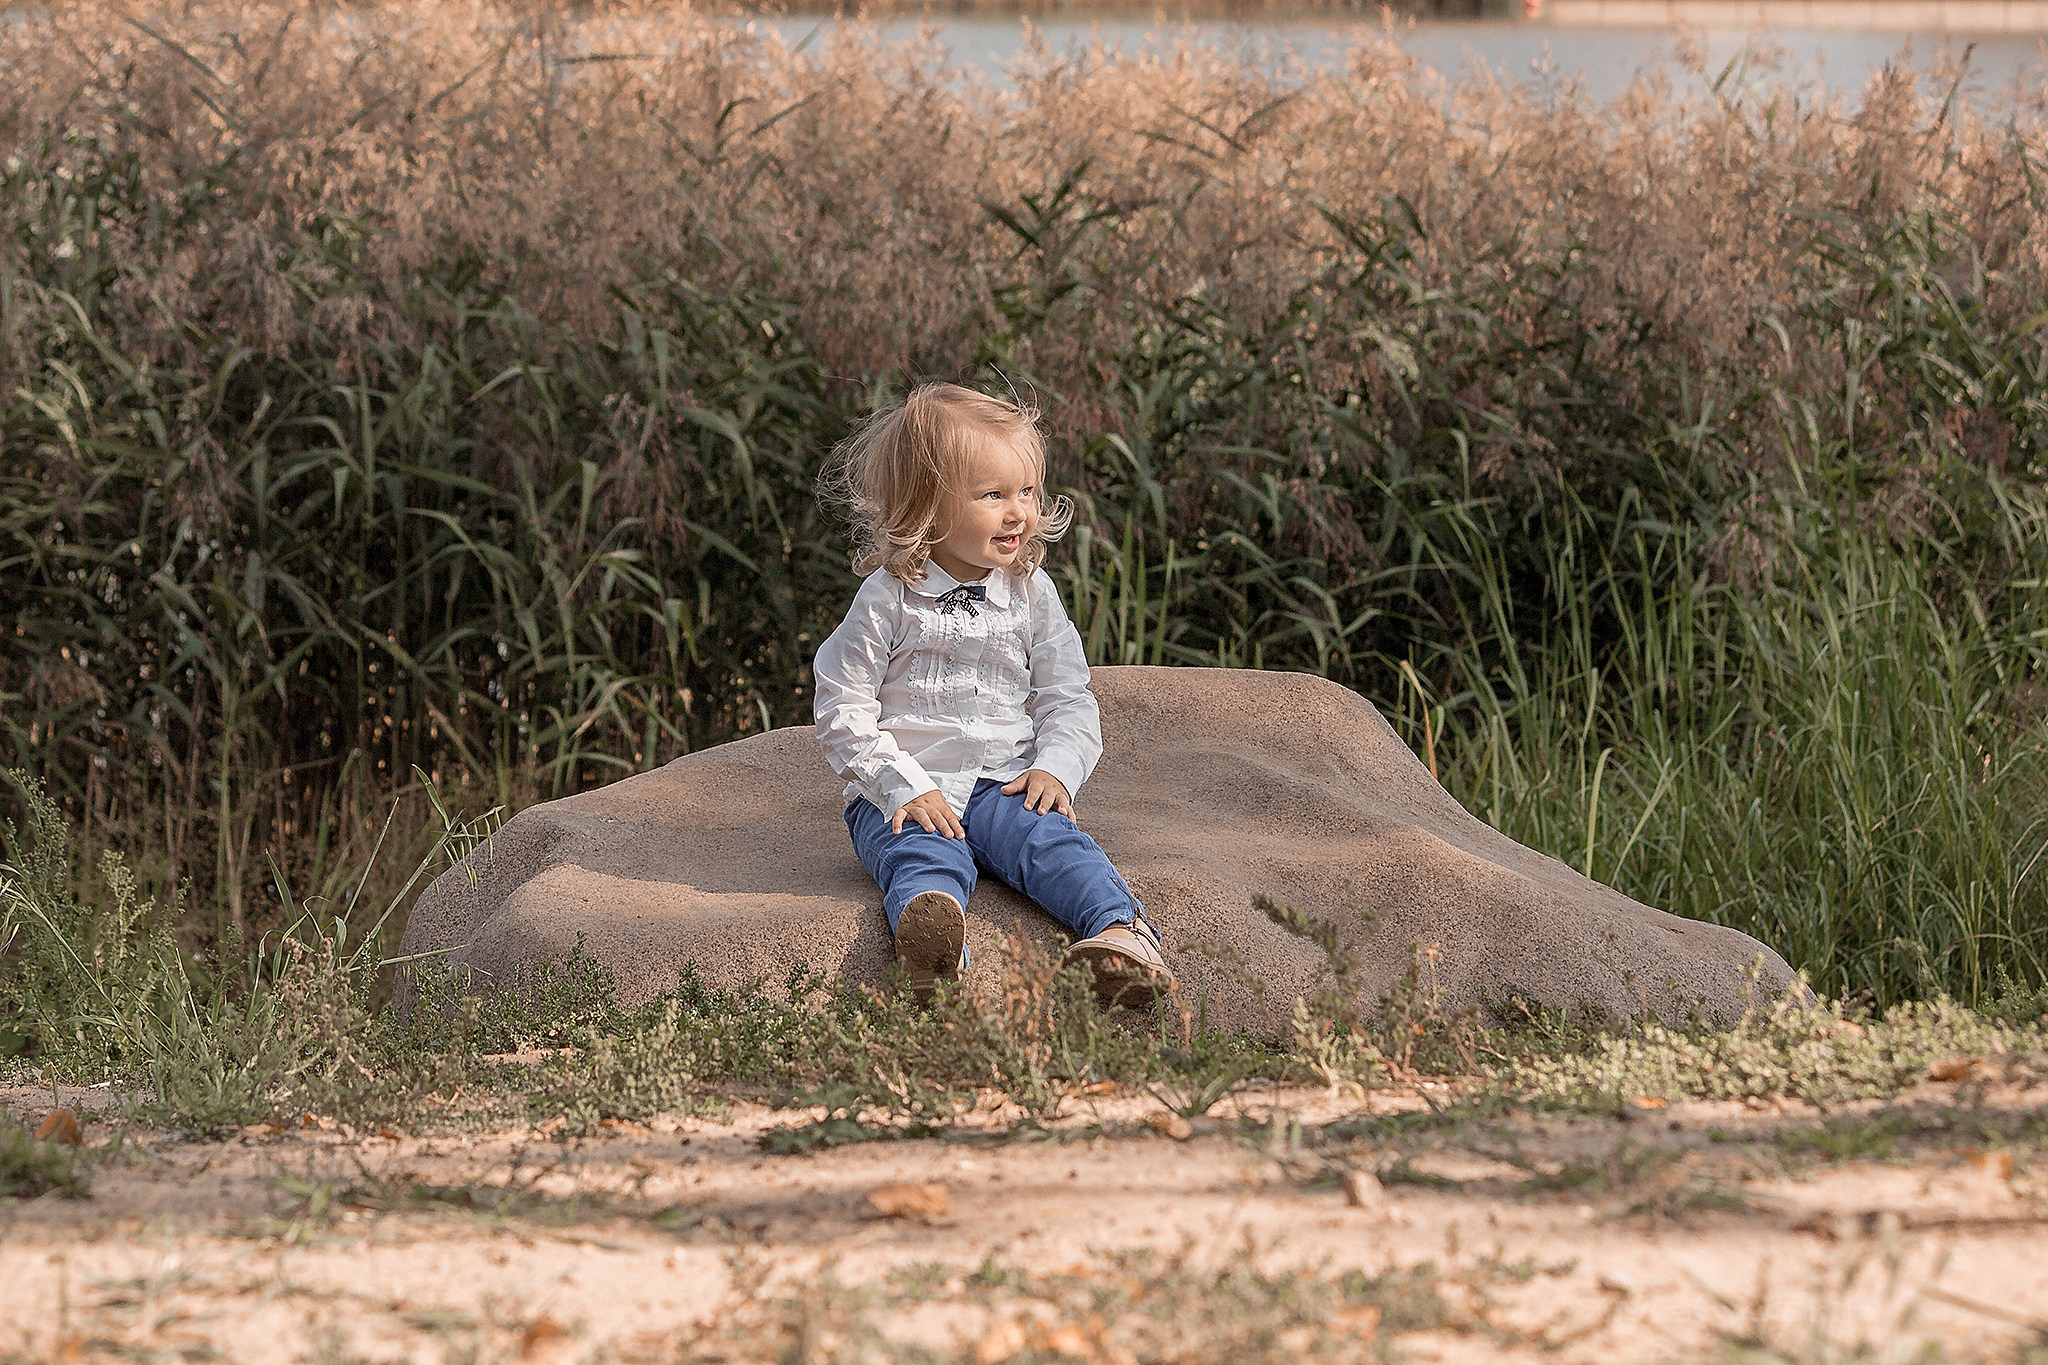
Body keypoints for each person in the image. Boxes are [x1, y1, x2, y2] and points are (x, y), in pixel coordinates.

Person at [811, 382, 1174, 1004]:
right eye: (993, 495)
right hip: (909, 787)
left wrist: (1056, 770)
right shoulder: (886, 598)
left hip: (1006, 779)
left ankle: (1122, 940)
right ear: (929, 506)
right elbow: (843, 708)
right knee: (919, 856)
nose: (1019, 513)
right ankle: (935, 948)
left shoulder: (1032, 592)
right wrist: (902, 785)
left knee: (1052, 846)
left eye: (1027, 491)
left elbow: (1068, 695)